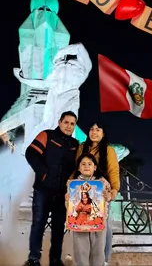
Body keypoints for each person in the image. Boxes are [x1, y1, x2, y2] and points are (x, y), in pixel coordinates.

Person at [23, 111, 79, 266]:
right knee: (38, 223)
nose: (69, 126)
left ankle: (55, 259)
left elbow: (79, 166)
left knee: (58, 227)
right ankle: (34, 258)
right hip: (43, 190)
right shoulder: (46, 135)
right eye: (66, 122)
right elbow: (31, 153)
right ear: (60, 122)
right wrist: (43, 173)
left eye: (72, 123)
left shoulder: (75, 144)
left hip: (62, 193)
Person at [64, 121, 120, 266]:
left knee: (103, 228)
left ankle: (104, 260)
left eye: (98, 129)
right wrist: (70, 186)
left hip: (101, 193)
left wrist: (113, 191)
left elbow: (113, 172)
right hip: (80, 190)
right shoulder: (82, 148)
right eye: (92, 129)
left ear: (103, 133)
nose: (94, 132)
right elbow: (76, 168)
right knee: (79, 228)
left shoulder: (109, 151)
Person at [65, 153, 111, 266]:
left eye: (90, 164)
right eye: (83, 164)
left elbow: (107, 200)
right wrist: (68, 200)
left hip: (98, 224)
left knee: (98, 253)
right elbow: (71, 207)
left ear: (94, 167)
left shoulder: (102, 183)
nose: (86, 166)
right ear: (79, 168)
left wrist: (107, 196)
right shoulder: (72, 184)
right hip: (79, 225)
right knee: (80, 253)